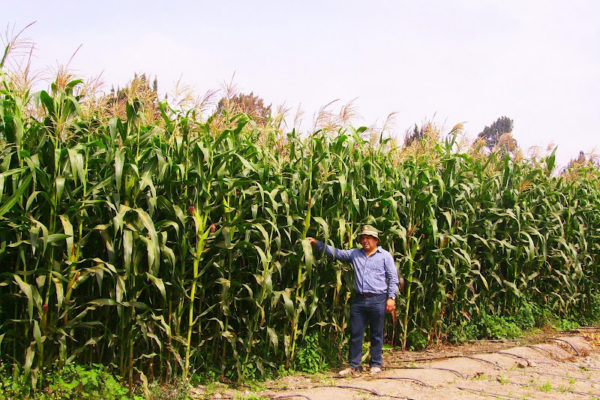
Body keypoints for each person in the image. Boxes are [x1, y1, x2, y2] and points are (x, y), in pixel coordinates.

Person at [307, 224, 400, 376]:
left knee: (377, 333)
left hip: (378, 299)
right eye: (362, 238)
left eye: (368, 238)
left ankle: (375, 364)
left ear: (376, 240)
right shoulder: (355, 254)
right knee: (356, 333)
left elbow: (393, 278)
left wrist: (391, 298)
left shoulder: (385, 256)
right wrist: (317, 244)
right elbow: (336, 253)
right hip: (359, 300)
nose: (365, 240)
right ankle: (353, 365)